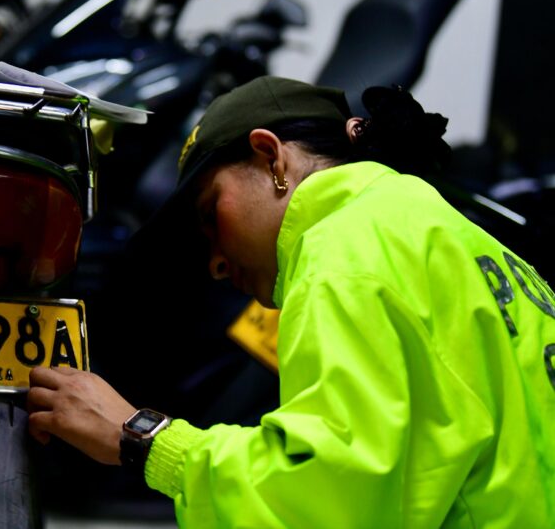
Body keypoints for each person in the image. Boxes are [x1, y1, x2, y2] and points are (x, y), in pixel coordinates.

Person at [27, 75, 555, 528]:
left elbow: (327, 494)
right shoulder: (447, 230)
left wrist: (141, 440)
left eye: (212, 215)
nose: (214, 261)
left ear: (271, 157)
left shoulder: (345, 247)